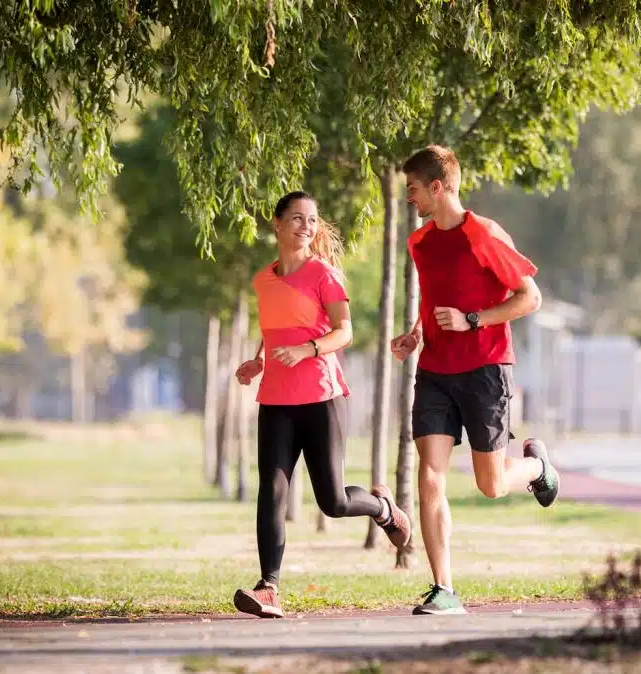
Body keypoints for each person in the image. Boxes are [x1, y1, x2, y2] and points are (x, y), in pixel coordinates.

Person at [390, 145, 560, 617]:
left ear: (439, 187)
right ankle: (443, 589)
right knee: (429, 475)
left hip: (486, 369)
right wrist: (416, 334)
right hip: (435, 372)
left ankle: (538, 468)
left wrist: (472, 319)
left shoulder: (483, 234)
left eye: (415, 190)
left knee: (491, 485)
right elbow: (433, 298)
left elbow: (531, 297)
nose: (411, 199)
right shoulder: (420, 242)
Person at [232, 191, 412, 619]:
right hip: (275, 398)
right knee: (271, 490)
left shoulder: (323, 273)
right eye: (296, 218)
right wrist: (258, 359)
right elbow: (276, 327)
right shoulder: (263, 279)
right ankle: (269, 587)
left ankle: (384, 509)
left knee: (332, 500)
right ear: (276, 224)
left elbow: (344, 332)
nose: (305, 227)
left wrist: (308, 350)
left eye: (311, 220)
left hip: (320, 396)